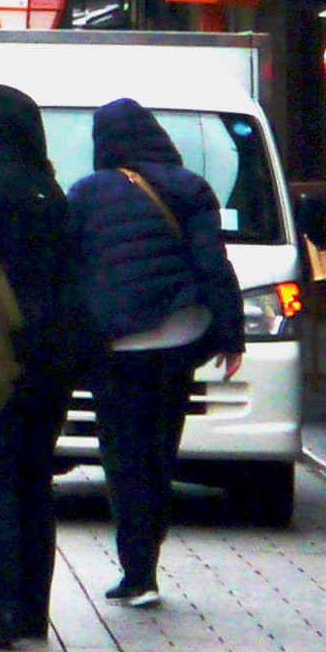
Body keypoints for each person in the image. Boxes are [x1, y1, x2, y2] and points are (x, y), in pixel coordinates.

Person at [68, 95, 245, 605]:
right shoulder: (190, 187)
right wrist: (231, 334)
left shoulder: (86, 193)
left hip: (117, 345)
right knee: (161, 449)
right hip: (178, 335)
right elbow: (213, 265)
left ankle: (137, 569)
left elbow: (72, 270)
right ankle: (152, 542)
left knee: (122, 454)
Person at [0, 84, 84, 649]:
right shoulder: (49, 191)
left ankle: (2, 609)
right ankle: (34, 608)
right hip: (51, 355)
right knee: (34, 478)